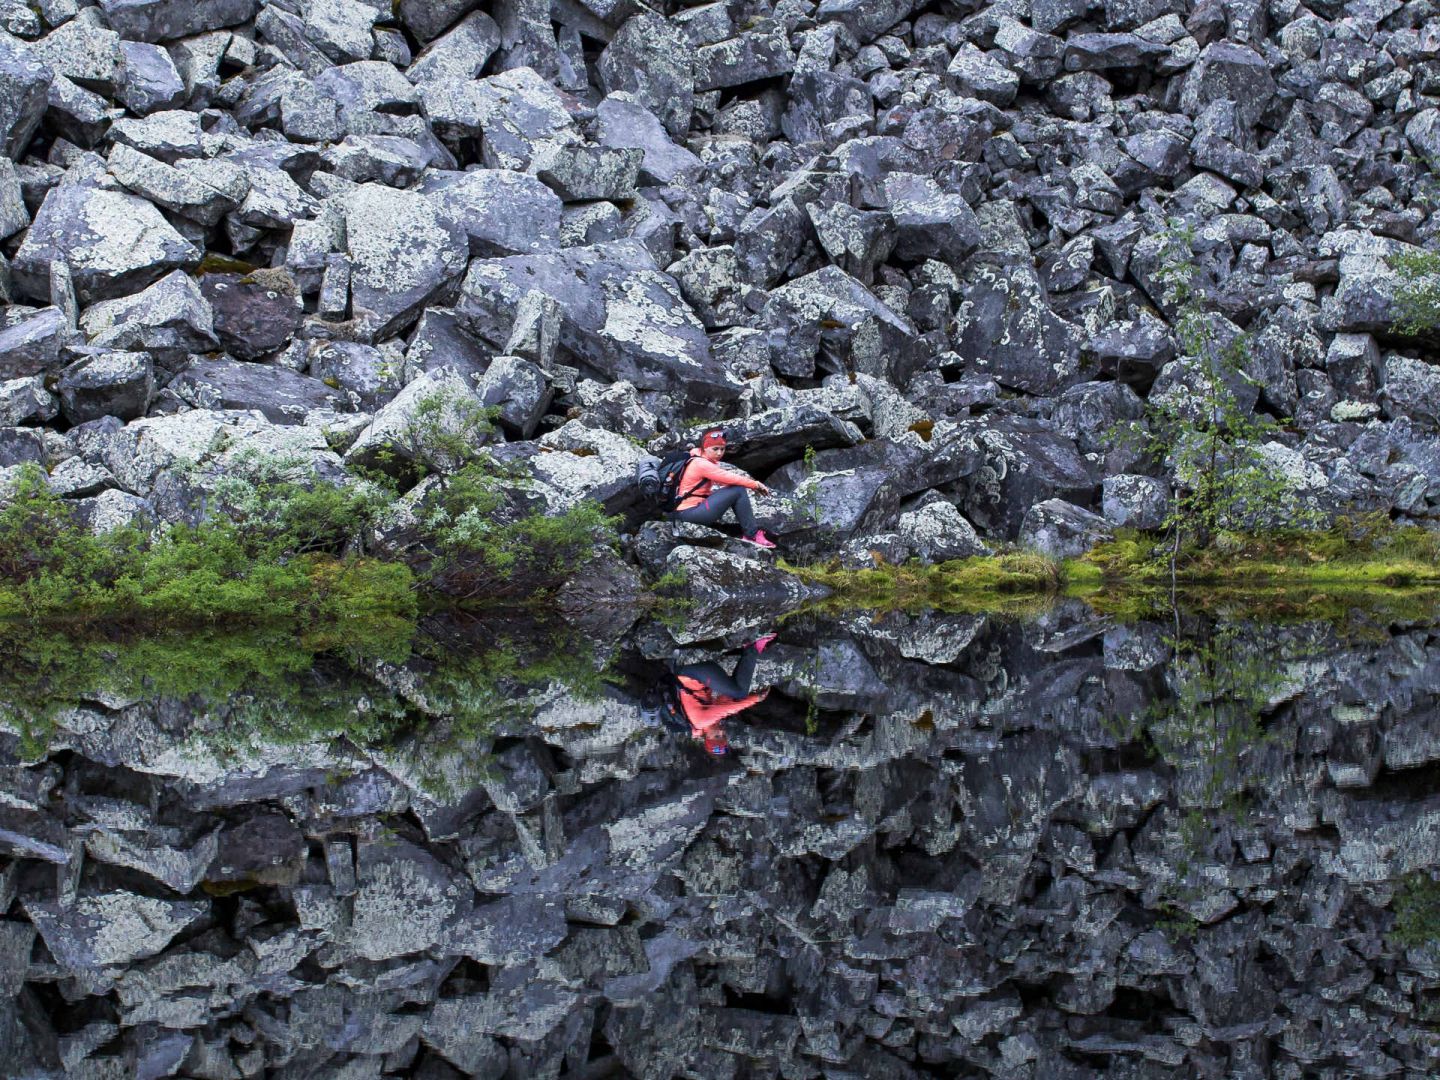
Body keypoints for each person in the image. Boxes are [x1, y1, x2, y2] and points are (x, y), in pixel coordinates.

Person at [669, 429, 777, 549]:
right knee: (738, 490)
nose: (720, 453)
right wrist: (754, 484)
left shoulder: (697, 458)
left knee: (734, 490)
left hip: (684, 512)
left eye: (722, 449)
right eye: (715, 449)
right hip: (689, 514)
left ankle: (750, 533)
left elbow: (722, 482)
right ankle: (752, 535)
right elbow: (727, 477)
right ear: (705, 448)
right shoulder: (701, 464)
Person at [673, 633, 778, 754]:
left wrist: (755, 698)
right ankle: (749, 649)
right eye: (724, 736)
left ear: (708, 737)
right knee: (737, 692)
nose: (722, 732)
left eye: (717, 736)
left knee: (740, 692)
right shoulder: (704, 723)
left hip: (692, 674)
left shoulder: (702, 722)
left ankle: (753, 648)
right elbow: (725, 699)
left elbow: (726, 709)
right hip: (692, 674)